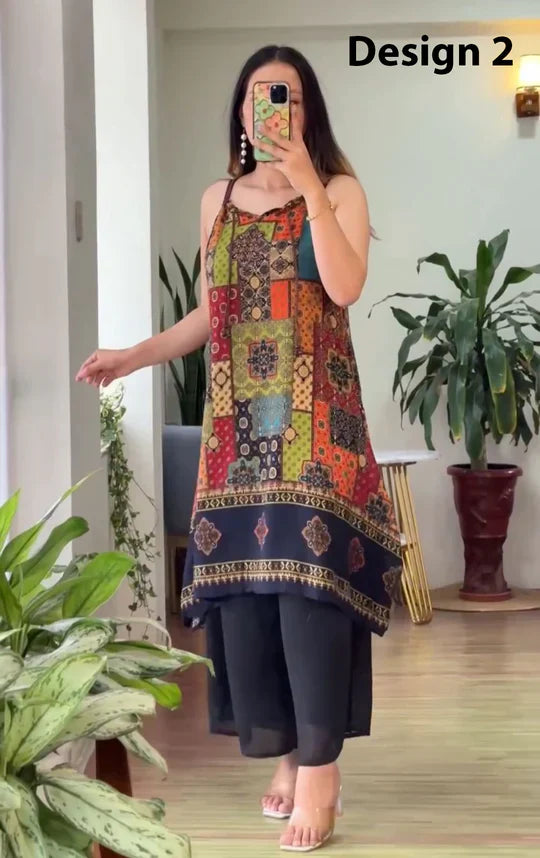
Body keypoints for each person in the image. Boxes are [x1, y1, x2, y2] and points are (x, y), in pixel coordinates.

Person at [77, 44, 402, 853]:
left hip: (316, 424)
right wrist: (135, 355)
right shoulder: (216, 200)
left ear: (307, 110)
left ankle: (321, 770)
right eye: (259, 93)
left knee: (310, 591)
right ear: (242, 112)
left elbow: (345, 286)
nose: (271, 106)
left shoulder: (340, 190)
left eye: (285, 94)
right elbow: (211, 314)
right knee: (255, 598)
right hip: (238, 429)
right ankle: (289, 752)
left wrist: (308, 185)